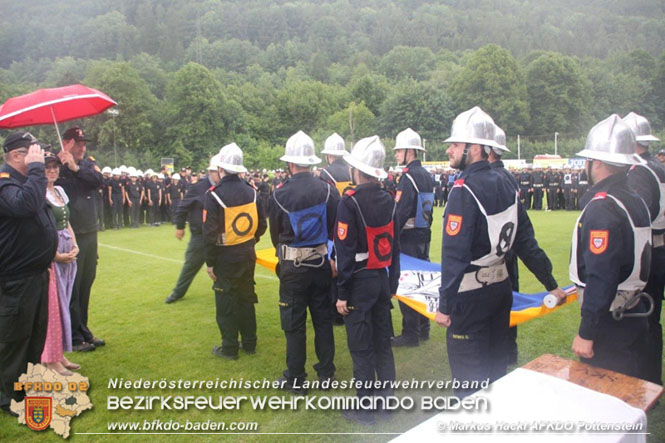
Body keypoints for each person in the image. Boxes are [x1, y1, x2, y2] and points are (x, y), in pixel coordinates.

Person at [434, 107, 565, 398]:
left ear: (476, 148)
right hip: (500, 290)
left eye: (456, 144)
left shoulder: (462, 190)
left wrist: (444, 305)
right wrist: (550, 283)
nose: (450, 150)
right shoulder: (506, 183)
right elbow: (526, 242)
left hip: (470, 297)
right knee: (496, 378)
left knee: (469, 386)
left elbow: (454, 256)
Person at [570, 115, 652, 380]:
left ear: (598, 163)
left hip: (611, 319)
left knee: (606, 396)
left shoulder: (603, 206)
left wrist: (587, 332)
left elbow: (602, 275)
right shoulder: (632, 197)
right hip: (633, 310)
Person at [334, 136, 400, 425]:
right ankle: (386, 403)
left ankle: (365, 409)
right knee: (382, 343)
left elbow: (345, 254)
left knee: (361, 347)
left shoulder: (349, 203)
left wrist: (341, 294)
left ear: (357, 171)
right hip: (382, 279)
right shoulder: (390, 199)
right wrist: (393, 284)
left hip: (359, 282)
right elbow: (395, 248)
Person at [269, 131, 339, 394]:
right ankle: (326, 374)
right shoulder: (328, 191)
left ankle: (296, 379)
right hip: (321, 263)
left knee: (294, 324)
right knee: (322, 320)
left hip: (293, 267)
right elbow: (336, 229)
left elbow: (276, 236)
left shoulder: (279, 195)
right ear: (310, 161)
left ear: (290, 163)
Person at [488, 126, 564, 365]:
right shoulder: (507, 178)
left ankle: (501, 355)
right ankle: (508, 352)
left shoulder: (489, 181)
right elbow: (525, 239)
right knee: (508, 310)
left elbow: (522, 237)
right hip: (508, 260)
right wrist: (549, 282)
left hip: (492, 267)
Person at [0, 132, 57, 416]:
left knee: (35, 334)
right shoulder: (4, 182)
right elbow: (25, 205)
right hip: (16, 278)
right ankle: (10, 397)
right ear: (15, 156)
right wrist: (36, 171)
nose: (41, 158)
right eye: (33, 153)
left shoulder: (26, 182)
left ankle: (27, 387)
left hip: (36, 274)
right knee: (15, 338)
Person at [203, 143, 267, 360]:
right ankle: (250, 343)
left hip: (225, 257)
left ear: (221, 169)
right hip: (247, 253)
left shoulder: (213, 196)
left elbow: (210, 235)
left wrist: (210, 262)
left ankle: (229, 347)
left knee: (226, 301)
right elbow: (262, 226)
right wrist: (249, 242)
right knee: (247, 298)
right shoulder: (252, 193)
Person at [623, 112, 665, 385]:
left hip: (648, 250)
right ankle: (652, 381)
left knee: (641, 319)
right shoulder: (658, 167)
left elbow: (639, 215)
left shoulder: (639, 171)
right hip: (660, 246)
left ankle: (644, 382)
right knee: (653, 320)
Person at [56, 127, 105, 352]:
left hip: (89, 231)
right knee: (72, 286)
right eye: (77, 143)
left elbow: (98, 180)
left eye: (84, 143)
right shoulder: (55, 166)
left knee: (86, 282)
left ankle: (82, 329)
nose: (82, 147)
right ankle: (73, 335)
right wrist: (62, 165)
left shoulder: (86, 165)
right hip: (70, 233)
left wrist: (75, 168)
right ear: (66, 143)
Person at [391, 128, 434, 347]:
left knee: (408, 285)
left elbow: (400, 212)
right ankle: (424, 328)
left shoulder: (408, 178)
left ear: (410, 151)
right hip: (423, 236)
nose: (396, 154)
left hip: (408, 239)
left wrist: (391, 238)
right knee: (422, 284)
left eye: (399, 150)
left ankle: (410, 333)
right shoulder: (425, 175)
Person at [41, 152, 80, 376]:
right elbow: (43, 228)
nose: (53, 170)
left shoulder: (60, 192)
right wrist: (54, 254)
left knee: (63, 301)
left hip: (67, 248)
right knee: (52, 305)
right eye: (48, 167)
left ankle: (60, 353)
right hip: (52, 250)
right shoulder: (40, 194)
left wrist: (75, 246)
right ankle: (49, 358)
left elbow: (68, 223)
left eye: (55, 167)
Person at [165, 156, 221, 304]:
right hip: (200, 236)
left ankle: (221, 289)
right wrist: (180, 227)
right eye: (218, 172)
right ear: (211, 172)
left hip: (218, 234)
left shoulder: (222, 187)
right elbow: (183, 206)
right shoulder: (198, 187)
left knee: (221, 264)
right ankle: (178, 292)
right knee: (191, 265)